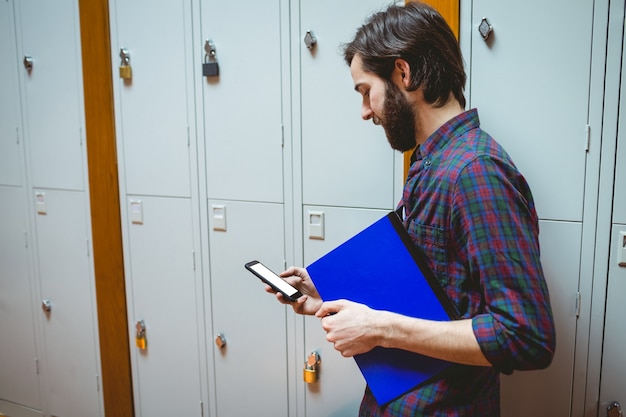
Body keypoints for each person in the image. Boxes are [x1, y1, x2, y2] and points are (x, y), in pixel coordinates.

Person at [266, 2, 556, 416]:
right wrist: (327, 294)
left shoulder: (475, 172)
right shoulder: (430, 161)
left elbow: (526, 337)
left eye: (366, 91)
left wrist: (379, 328)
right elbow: (428, 289)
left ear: (404, 73)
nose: (365, 111)